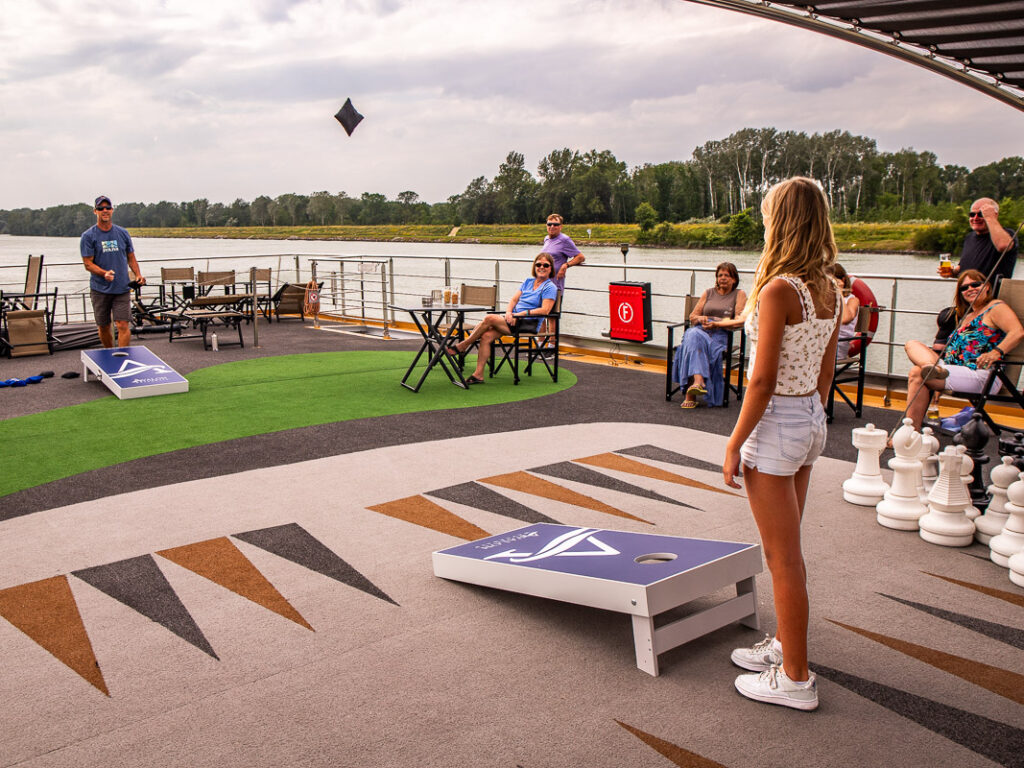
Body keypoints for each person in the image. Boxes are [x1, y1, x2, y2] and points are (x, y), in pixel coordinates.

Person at [722, 177, 842, 712]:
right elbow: (826, 367)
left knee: (782, 557)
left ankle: (795, 677)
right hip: (809, 419)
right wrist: (811, 415)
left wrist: (734, 442)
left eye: (769, 214)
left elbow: (761, 380)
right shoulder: (831, 287)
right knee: (786, 551)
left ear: (781, 222)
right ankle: (785, 644)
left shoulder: (777, 290)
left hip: (776, 424)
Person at [902, 269, 1024, 429]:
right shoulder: (967, 315)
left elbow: (1018, 332)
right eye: (964, 287)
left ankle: (910, 432)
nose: (970, 289)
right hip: (955, 370)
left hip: (981, 374)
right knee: (912, 344)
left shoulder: (995, 307)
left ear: (987, 286)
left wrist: (996, 352)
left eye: (975, 284)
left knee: (917, 373)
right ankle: (932, 369)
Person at [447, 253, 558, 384]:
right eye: (538, 264)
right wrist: (509, 313)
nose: (542, 267)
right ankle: (478, 375)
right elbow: (514, 299)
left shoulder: (550, 287)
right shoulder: (528, 282)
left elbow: (545, 310)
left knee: (489, 318)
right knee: (486, 336)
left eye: (546, 265)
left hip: (528, 323)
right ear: (535, 266)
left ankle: (464, 345)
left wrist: (522, 314)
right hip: (513, 320)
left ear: (551, 269)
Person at [672, 262, 746, 408]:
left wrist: (717, 322)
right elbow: (693, 317)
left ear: (734, 279)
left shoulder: (739, 294)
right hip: (701, 330)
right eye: (720, 275)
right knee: (693, 334)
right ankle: (698, 382)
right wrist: (702, 318)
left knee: (691, 340)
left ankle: (691, 393)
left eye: (727, 275)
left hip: (720, 336)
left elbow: (739, 322)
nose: (723, 278)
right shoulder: (708, 293)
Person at [80, 195, 145, 348]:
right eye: (101, 208)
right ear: (95, 211)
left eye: (107, 208)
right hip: (99, 289)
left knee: (122, 324)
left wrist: (138, 275)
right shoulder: (88, 236)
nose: (105, 211)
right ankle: (109, 355)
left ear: (112, 210)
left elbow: (131, 257)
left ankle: (122, 358)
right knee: (104, 326)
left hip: (122, 288)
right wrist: (104, 273)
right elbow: (88, 264)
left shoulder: (122, 233)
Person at [939, 197, 1018, 286]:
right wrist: (952, 272)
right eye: (972, 214)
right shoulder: (969, 237)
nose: (975, 218)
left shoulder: (1007, 235)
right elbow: (965, 266)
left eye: (981, 214)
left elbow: (1003, 246)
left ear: (994, 215)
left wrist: (990, 218)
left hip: (991, 296)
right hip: (967, 294)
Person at [542, 214, 585, 290]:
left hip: (555, 286)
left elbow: (580, 257)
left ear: (561, 226)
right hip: (542, 284)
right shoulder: (546, 239)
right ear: (546, 226)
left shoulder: (564, 240)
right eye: (549, 224)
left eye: (555, 224)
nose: (552, 226)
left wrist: (566, 265)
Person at [828, 263, 860, 358]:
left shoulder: (852, 300)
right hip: (822, 342)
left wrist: (839, 292)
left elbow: (845, 319)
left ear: (842, 280)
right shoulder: (822, 299)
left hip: (837, 344)